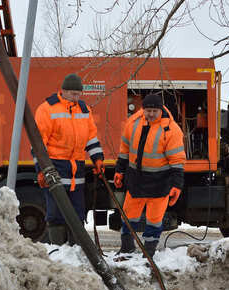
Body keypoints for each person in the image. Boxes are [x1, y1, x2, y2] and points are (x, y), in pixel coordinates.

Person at [34, 73, 104, 245]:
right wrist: (42, 170)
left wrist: (98, 159)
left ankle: (76, 248)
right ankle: (58, 248)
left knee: (77, 211)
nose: (76, 97)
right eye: (73, 94)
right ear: (63, 91)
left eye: (78, 94)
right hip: (54, 166)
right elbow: (38, 144)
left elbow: (91, 138)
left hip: (77, 167)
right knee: (56, 210)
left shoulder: (84, 110)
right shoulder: (47, 109)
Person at [114, 94, 186, 258]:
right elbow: (125, 149)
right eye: (148, 110)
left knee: (154, 220)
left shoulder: (171, 129)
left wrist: (177, 185)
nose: (151, 114)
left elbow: (177, 160)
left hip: (159, 183)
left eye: (154, 110)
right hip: (136, 181)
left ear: (160, 109)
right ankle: (126, 247)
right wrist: (119, 169)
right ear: (143, 109)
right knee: (128, 215)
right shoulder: (132, 123)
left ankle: (149, 252)